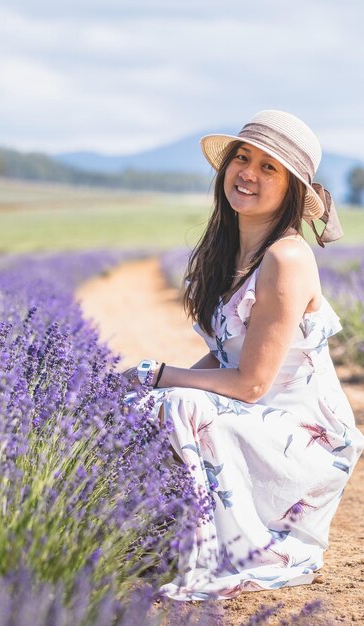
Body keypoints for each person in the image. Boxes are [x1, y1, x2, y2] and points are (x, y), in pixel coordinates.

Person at [123, 110, 364, 601]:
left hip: (303, 438)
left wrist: (160, 374)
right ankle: (169, 536)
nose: (248, 173)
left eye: (269, 167)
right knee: (147, 404)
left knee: (178, 404)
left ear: (294, 188)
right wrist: (158, 382)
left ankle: (228, 547)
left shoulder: (286, 258)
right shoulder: (231, 252)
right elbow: (224, 355)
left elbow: (251, 382)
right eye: (242, 158)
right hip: (258, 419)